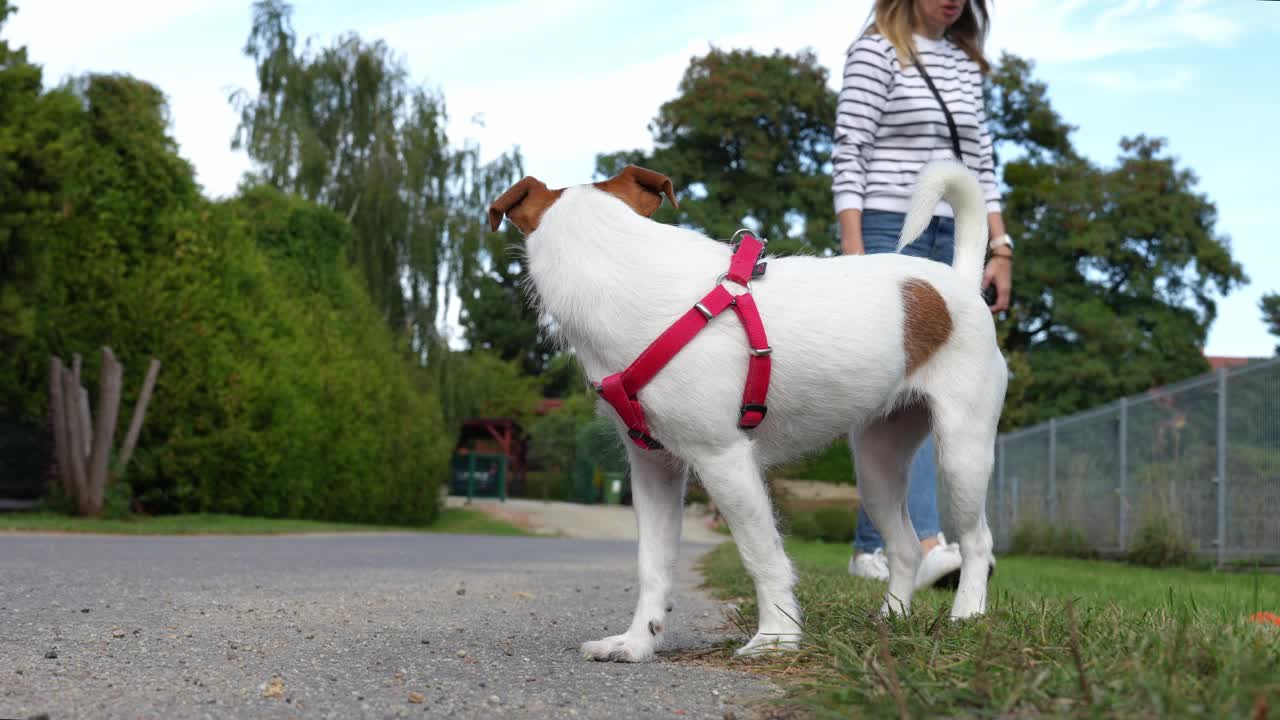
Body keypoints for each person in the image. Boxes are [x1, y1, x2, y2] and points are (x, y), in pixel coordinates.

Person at [832, 0, 1012, 587]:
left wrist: (999, 246)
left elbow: (981, 161)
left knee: (947, 385)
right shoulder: (876, 50)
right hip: (888, 224)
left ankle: (881, 547)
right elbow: (849, 152)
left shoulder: (963, 62)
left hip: (953, 230)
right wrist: (855, 254)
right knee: (888, 385)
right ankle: (921, 543)